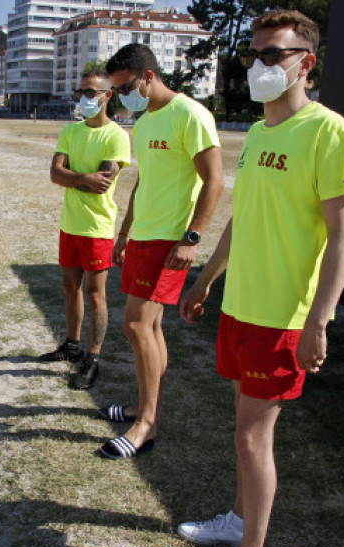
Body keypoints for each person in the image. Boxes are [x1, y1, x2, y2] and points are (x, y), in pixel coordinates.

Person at [176, 10, 344, 547]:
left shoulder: (329, 132)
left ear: (306, 62)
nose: (259, 65)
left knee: (255, 438)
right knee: (241, 430)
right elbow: (243, 219)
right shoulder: (258, 133)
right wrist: (207, 279)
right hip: (241, 307)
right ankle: (238, 519)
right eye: (253, 54)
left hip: (283, 317)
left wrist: (319, 318)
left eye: (273, 54)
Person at [96, 44, 224, 459]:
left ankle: (146, 424)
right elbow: (144, 184)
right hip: (143, 238)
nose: (123, 97)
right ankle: (144, 406)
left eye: (127, 87)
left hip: (171, 241)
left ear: (148, 76)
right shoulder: (145, 121)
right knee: (149, 328)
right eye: (116, 91)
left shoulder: (190, 114)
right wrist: (124, 234)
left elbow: (215, 181)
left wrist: (192, 239)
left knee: (136, 326)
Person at [40, 69, 131, 390]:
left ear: (108, 96)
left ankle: (92, 357)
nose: (84, 98)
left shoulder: (116, 136)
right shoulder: (70, 131)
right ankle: (72, 344)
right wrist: (83, 178)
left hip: (97, 228)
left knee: (95, 295)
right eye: (81, 92)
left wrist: (73, 177)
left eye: (91, 92)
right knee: (69, 287)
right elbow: (55, 174)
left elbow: (101, 185)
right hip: (70, 225)